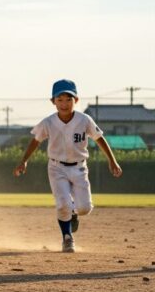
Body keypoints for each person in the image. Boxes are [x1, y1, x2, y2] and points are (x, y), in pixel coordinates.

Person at [14, 79, 122, 252]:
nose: (64, 103)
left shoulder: (84, 120)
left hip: (79, 168)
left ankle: (73, 214)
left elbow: (99, 138)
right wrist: (24, 160)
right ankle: (67, 238)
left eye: (68, 99)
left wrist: (112, 160)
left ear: (76, 100)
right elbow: (35, 141)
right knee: (63, 203)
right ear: (53, 101)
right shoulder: (48, 122)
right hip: (56, 168)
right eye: (60, 99)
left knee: (85, 208)